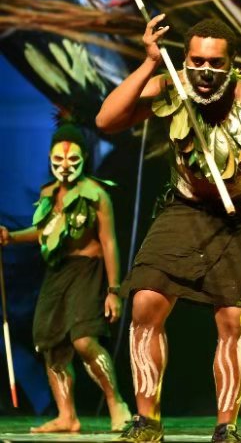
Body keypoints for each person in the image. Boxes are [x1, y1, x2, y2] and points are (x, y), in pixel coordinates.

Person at [95, 15, 241, 443]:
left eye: (216, 63)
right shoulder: (170, 86)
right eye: (196, 61)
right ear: (184, 60)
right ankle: (147, 421)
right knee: (145, 302)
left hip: (239, 218)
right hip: (184, 209)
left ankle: (225, 427)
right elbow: (106, 120)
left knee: (233, 318)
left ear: (233, 64)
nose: (205, 71)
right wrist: (149, 62)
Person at [0, 124, 131, 433]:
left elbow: (109, 242)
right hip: (57, 271)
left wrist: (114, 290)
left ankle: (117, 404)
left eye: (73, 160)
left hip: (88, 270)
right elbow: (44, 232)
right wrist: (11, 237)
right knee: (50, 343)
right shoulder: (48, 194)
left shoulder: (97, 195)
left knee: (84, 340)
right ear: (49, 158)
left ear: (84, 158)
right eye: (58, 159)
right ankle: (67, 416)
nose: (65, 166)